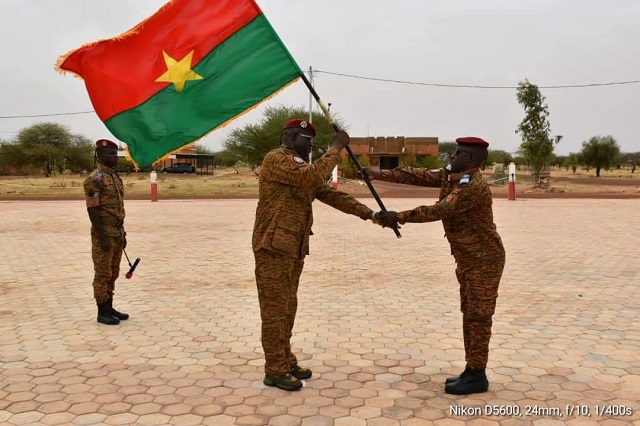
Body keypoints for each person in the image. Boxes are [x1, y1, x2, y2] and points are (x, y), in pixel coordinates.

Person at [364, 136, 505, 395]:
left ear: (472, 159)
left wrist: (399, 216)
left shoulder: (472, 186)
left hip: (484, 260)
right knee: (469, 313)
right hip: (468, 258)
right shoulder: (451, 176)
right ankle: (472, 369)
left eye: (458, 153)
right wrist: (378, 174)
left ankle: (477, 374)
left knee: (478, 317)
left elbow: (438, 210)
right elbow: (417, 175)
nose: (452, 157)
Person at [253, 119, 380, 391]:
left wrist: (372, 215)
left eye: (312, 141)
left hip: (292, 247)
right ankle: (274, 369)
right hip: (273, 246)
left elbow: (332, 196)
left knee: (287, 307)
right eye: (305, 139)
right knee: (275, 310)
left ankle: (285, 360)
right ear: (288, 137)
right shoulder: (278, 159)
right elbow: (313, 177)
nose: (310, 145)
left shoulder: (301, 169)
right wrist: (336, 148)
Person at [83, 139, 129, 325]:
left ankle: (109, 306)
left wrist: (123, 234)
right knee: (102, 273)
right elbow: (92, 210)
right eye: (110, 154)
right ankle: (102, 311)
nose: (114, 157)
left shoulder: (115, 177)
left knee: (113, 271)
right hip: (103, 233)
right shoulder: (95, 179)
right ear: (99, 156)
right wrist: (102, 236)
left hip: (117, 232)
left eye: (115, 153)